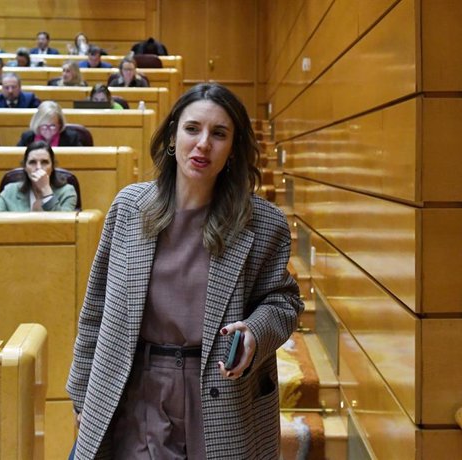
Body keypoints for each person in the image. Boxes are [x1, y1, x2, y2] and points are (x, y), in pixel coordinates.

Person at [66, 83, 303, 458]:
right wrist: (82, 395)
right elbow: (95, 307)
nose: (203, 143)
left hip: (221, 397)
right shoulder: (129, 209)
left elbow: (284, 302)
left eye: (219, 134)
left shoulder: (263, 223)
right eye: (193, 129)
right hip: (134, 390)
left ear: (233, 149)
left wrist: (255, 333)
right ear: (173, 135)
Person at [0, 141, 77, 212]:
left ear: (52, 167)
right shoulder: (10, 191)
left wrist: (46, 191)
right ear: (25, 167)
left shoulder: (67, 192)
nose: (39, 167)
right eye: (32, 162)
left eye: (44, 162)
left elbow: (64, 226)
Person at [16, 100, 82, 147]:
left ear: (60, 125)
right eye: (44, 126)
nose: (48, 130)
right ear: (37, 124)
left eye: (52, 126)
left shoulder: (71, 139)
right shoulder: (27, 138)